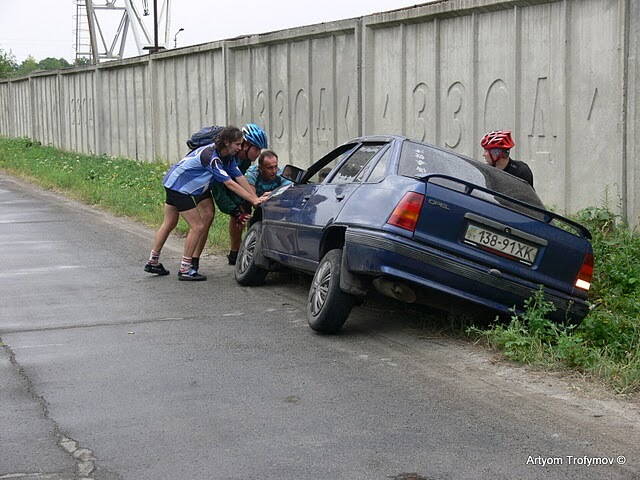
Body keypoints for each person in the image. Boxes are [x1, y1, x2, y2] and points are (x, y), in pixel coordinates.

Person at [144, 126, 268, 281]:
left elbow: (239, 177)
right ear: (227, 142)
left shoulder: (228, 157)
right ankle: (185, 269)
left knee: (169, 223)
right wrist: (253, 200)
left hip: (174, 182)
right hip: (180, 188)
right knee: (197, 226)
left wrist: (255, 198)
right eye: (237, 144)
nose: (239, 147)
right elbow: (229, 183)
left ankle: (152, 262)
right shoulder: (211, 157)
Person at [213, 124, 269, 265]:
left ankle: (235, 253)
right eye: (256, 149)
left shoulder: (244, 159)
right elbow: (220, 190)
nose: (258, 154)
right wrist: (234, 209)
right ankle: (191, 262)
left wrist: (254, 199)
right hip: (204, 185)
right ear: (246, 145)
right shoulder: (228, 155)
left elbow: (240, 181)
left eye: (260, 149)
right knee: (206, 217)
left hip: (227, 183)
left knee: (243, 208)